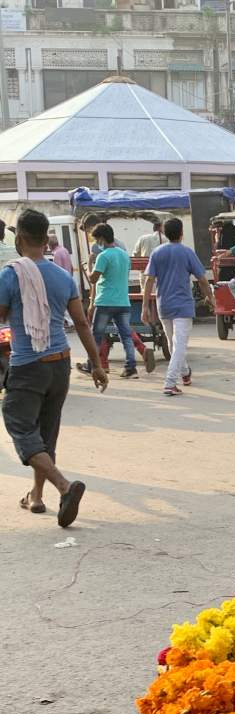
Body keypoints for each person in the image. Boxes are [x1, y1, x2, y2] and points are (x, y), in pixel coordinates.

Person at [0, 208, 108, 525]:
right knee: (46, 434)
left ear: (19, 238)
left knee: (19, 423)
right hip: (60, 364)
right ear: (45, 238)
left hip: (28, 363)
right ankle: (36, 496)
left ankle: (64, 486)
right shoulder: (62, 277)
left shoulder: (10, 275)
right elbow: (82, 324)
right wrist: (97, 365)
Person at [142, 217, 214, 397]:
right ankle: (170, 383)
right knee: (179, 345)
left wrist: (145, 307)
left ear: (165, 233)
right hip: (183, 305)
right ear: (181, 233)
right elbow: (202, 279)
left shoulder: (157, 252)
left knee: (173, 343)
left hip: (163, 305)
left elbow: (149, 281)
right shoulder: (187, 252)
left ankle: (185, 372)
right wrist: (211, 298)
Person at [81, 223, 138, 380]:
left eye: (96, 239)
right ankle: (131, 367)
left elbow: (93, 279)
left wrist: (88, 265)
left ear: (101, 239)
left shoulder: (103, 256)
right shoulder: (124, 255)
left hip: (105, 301)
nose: (96, 243)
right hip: (123, 301)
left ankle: (91, 365)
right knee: (126, 335)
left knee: (96, 335)